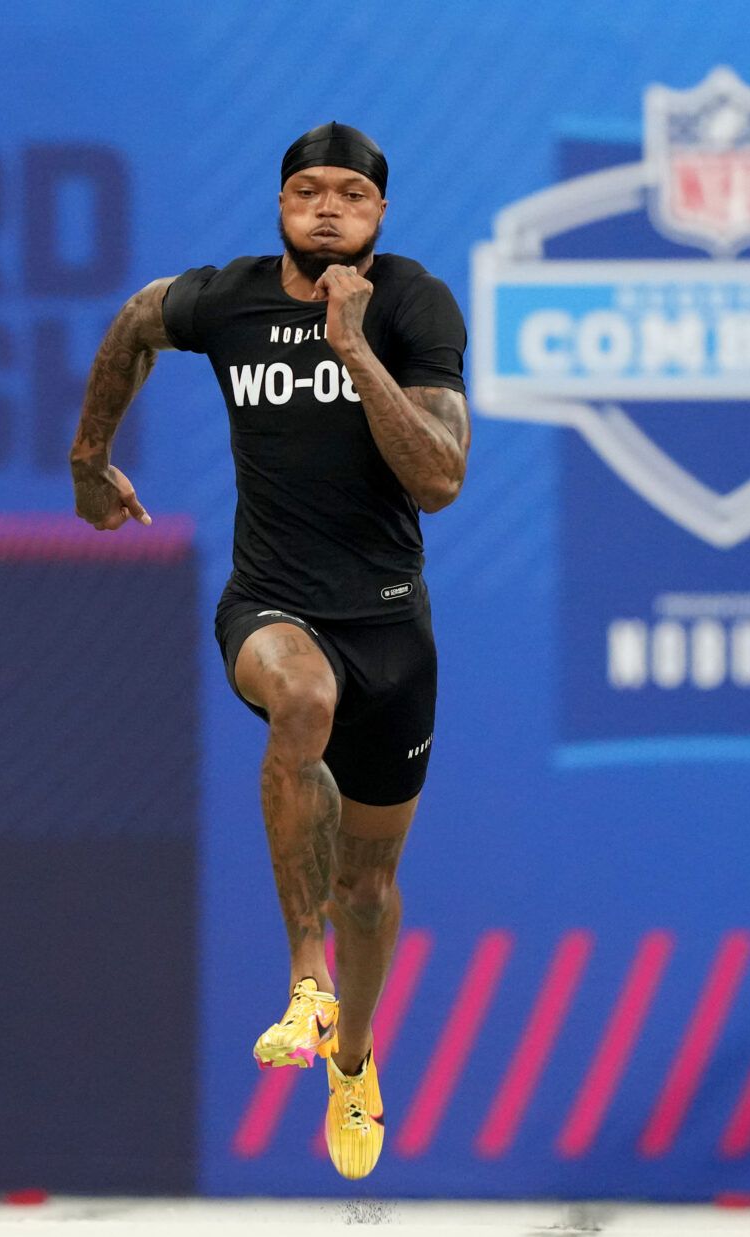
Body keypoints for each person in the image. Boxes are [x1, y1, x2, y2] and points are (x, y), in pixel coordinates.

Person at [68, 122, 470, 1180]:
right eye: (305, 192)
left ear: (380, 217)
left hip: (391, 628)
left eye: (350, 195)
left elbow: (439, 478)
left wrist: (354, 351)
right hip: (273, 605)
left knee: (371, 889)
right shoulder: (231, 299)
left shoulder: (414, 304)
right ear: (280, 207)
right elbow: (135, 321)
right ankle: (305, 981)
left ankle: (355, 1056)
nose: (326, 208)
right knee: (299, 701)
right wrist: (87, 457)